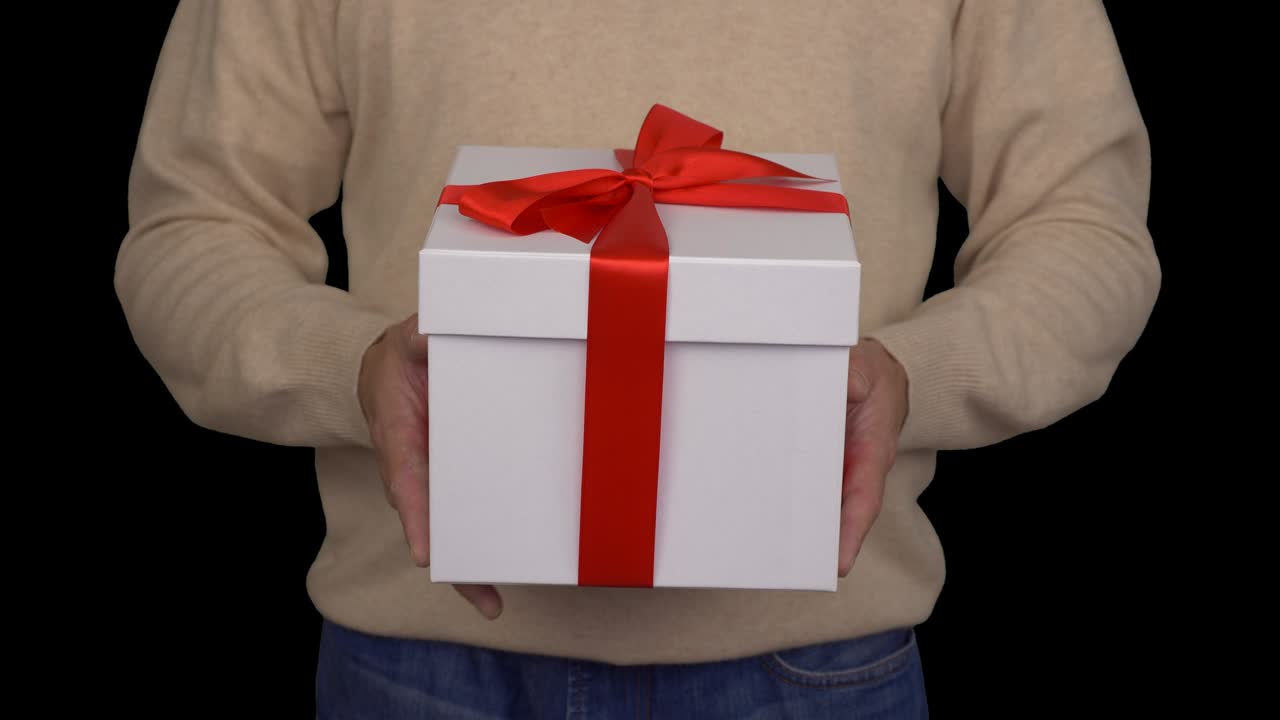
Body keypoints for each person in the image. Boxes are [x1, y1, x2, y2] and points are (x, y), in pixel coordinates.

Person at [115, 1, 1159, 717]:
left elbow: (1084, 227)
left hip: (819, 668)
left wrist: (914, 376)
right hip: (414, 664)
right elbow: (193, 227)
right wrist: (347, 368)